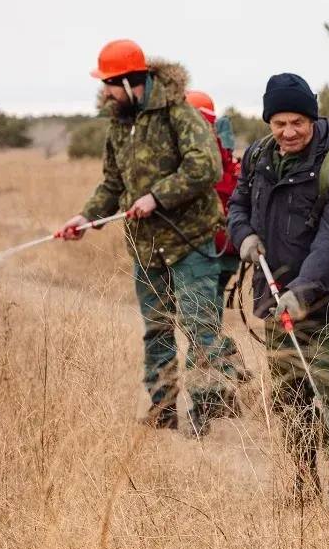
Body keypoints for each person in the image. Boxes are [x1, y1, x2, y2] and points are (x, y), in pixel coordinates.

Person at [58, 39, 236, 436]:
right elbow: (111, 184)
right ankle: (163, 409)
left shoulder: (178, 112)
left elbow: (206, 166)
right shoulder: (119, 124)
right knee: (157, 328)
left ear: (128, 79)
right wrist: (86, 218)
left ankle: (204, 412)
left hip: (190, 242)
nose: (104, 92)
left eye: (108, 84)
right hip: (145, 247)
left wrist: (158, 197)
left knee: (199, 327)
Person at [227, 73, 329, 521]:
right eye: (280, 122)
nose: (288, 132)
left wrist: (301, 292)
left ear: (313, 117)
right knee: (289, 393)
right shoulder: (257, 157)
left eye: (298, 122)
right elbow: (238, 205)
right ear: (269, 121)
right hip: (271, 294)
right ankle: (302, 478)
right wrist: (243, 235)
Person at [185, 89, 248, 380]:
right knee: (207, 322)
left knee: (200, 329)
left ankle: (221, 372)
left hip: (203, 255)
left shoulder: (195, 156)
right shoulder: (225, 155)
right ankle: (221, 385)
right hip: (228, 256)